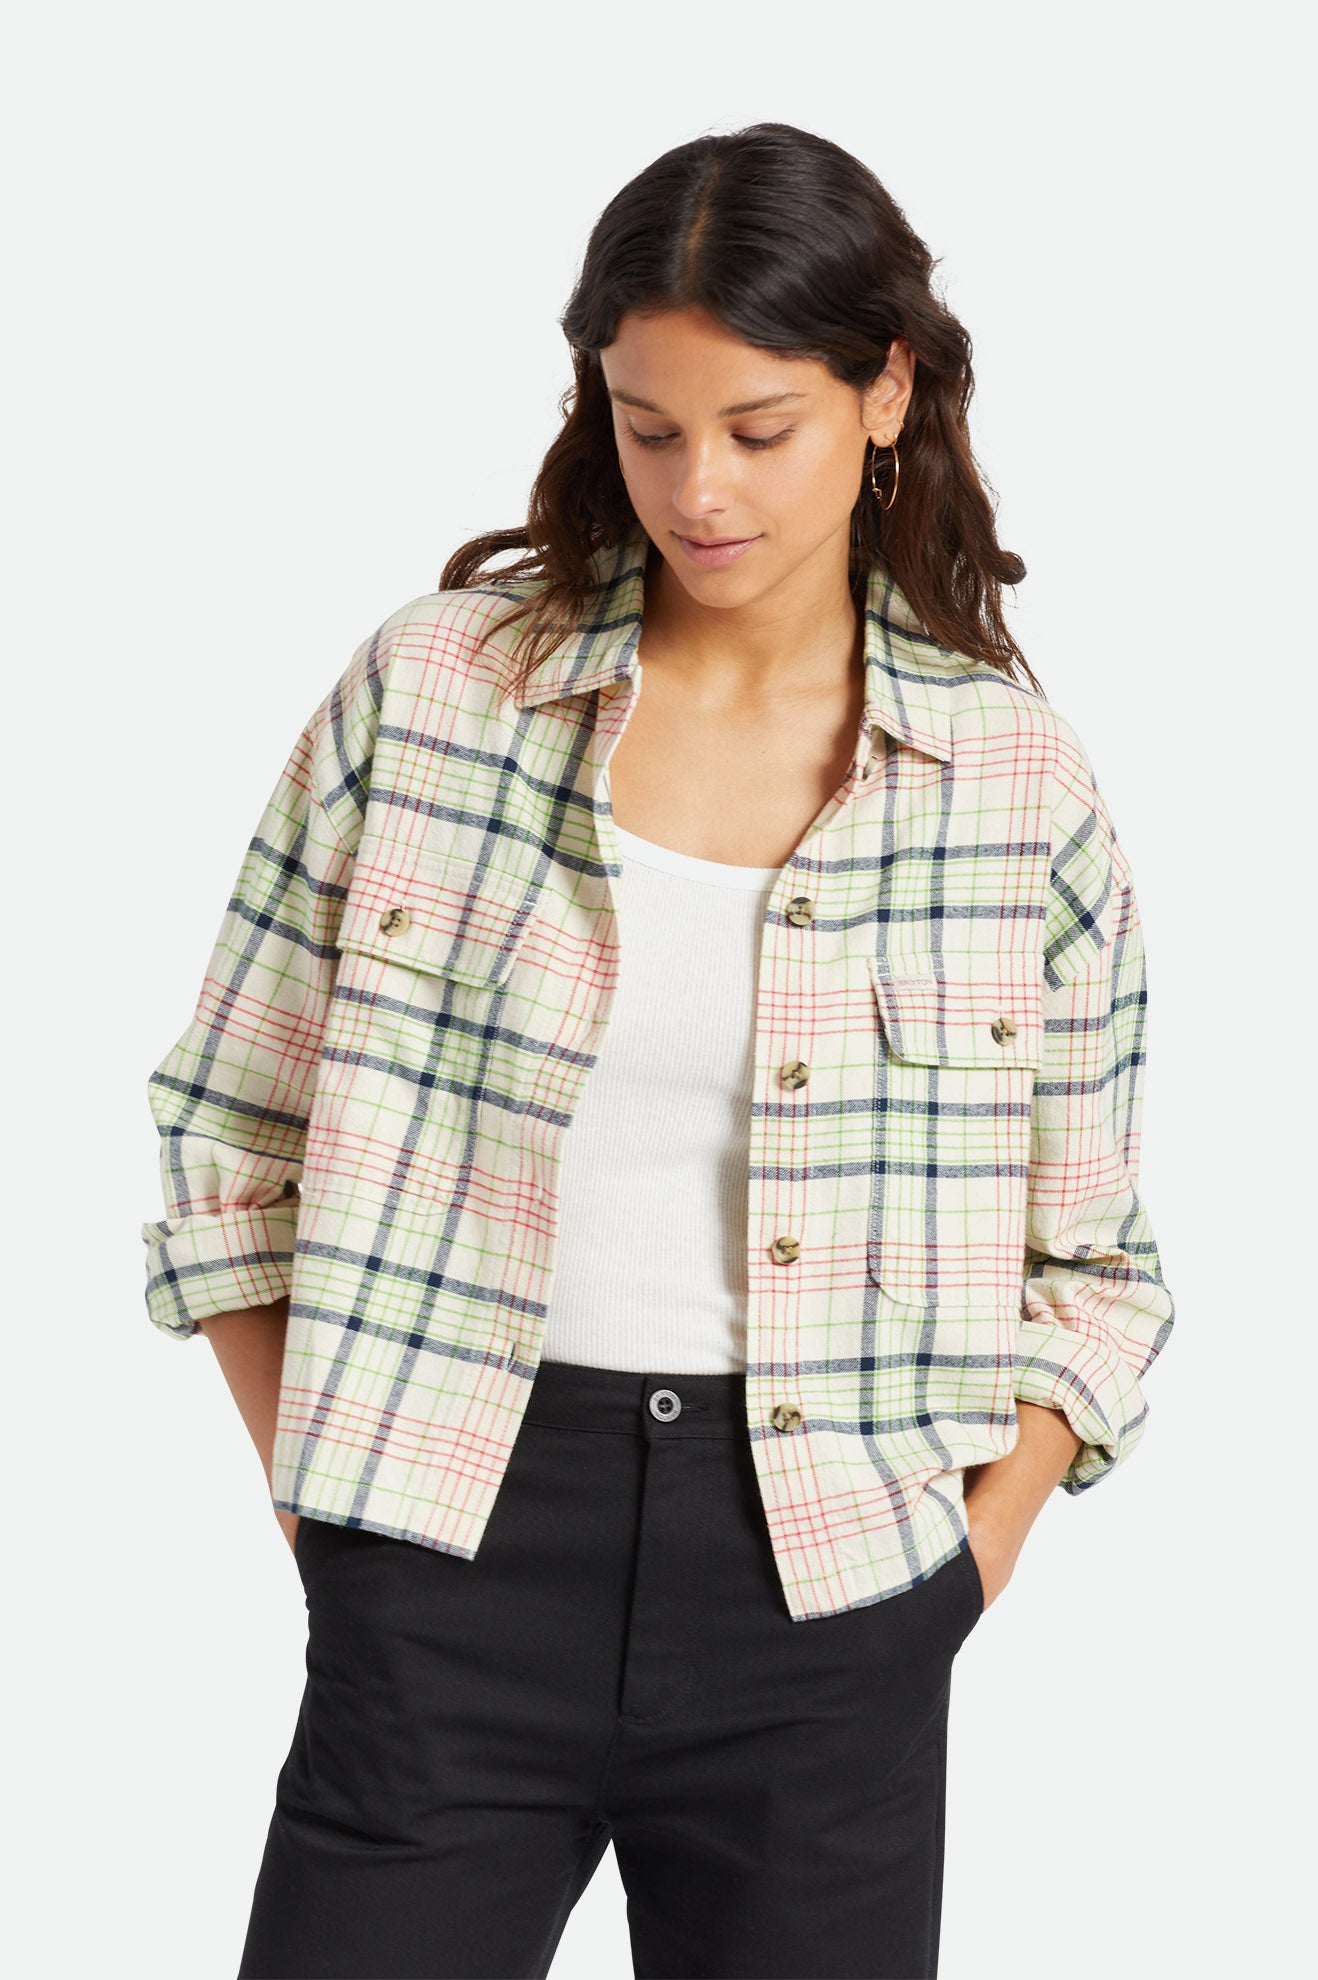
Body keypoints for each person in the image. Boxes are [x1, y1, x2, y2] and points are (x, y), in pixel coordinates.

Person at [141, 121, 1176, 1980]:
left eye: (758, 429)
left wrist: (961, 1570)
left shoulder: (1009, 783)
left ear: (885, 391)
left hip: (828, 1591)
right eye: (648, 425)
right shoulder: (433, 693)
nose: (699, 490)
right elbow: (230, 1129)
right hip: (447, 1546)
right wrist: (328, 1505)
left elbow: (1091, 1266)